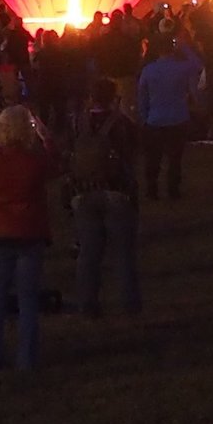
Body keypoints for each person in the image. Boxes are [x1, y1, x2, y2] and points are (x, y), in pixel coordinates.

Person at [0, 102, 58, 372]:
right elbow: (53, 159)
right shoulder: (35, 162)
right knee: (28, 299)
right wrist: (43, 135)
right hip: (28, 232)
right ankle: (27, 359)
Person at [68, 75, 143, 319]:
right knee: (123, 254)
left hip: (84, 191)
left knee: (88, 254)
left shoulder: (79, 122)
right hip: (116, 191)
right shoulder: (120, 123)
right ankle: (130, 305)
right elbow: (136, 146)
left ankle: (87, 305)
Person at [134, 28, 202, 201]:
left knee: (153, 158)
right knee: (175, 158)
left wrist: (144, 117)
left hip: (155, 120)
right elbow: (198, 65)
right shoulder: (181, 68)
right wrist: (184, 46)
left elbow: (142, 96)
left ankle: (152, 190)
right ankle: (173, 190)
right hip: (178, 118)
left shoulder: (148, 70)